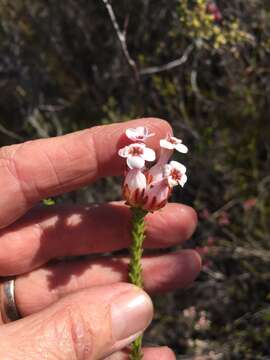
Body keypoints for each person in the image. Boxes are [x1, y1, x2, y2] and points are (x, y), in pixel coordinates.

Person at [0, 118, 201, 359]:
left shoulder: (156, 172)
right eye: (136, 149)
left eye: (139, 148)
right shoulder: (141, 171)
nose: (138, 150)